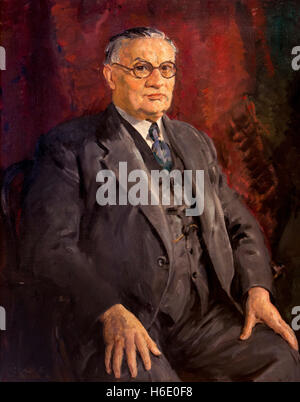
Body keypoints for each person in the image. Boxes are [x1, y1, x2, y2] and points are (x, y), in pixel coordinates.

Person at [20, 27, 300, 382]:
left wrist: (257, 290)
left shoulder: (193, 140)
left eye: (166, 68)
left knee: (282, 357)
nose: (157, 80)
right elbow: (49, 247)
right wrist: (108, 309)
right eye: (141, 68)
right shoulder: (68, 147)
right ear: (111, 76)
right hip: (121, 318)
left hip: (201, 321)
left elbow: (240, 225)